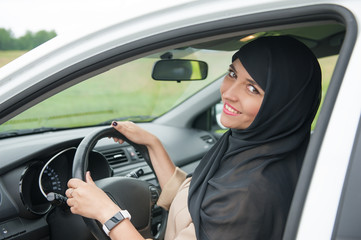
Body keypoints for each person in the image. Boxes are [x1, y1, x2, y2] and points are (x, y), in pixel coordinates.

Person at [66, 36, 321, 240]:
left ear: (282, 104)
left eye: (252, 88)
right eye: (232, 74)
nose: (228, 93)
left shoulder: (249, 195)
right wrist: (152, 144)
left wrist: (107, 212)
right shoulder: (253, 146)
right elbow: (192, 203)